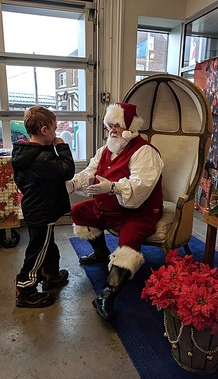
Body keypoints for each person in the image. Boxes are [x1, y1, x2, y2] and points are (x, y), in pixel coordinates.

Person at [66, 102, 164, 321]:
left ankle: (107, 294)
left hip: (137, 213)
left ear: (130, 126)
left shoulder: (145, 152)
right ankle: (101, 252)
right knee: (80, 211)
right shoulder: (106, 149)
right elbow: (90, 171)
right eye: (109, 126)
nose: (112, 130)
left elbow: (140, 186)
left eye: (117, 125)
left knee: (128, 241)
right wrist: (72, 184)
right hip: (107, 208)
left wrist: (111, 186)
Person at [12, 105, 75, 308]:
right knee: (37, 250)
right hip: (42, 210)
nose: (56, 133)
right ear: (44, 130)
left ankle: (51, 274)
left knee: (47, 245)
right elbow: (67, 171)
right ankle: (25, 289)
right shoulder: (44, 158)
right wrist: (62, 146)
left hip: (35, 207)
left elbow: (21, 180)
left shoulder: (26, 152)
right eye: (55, 129)